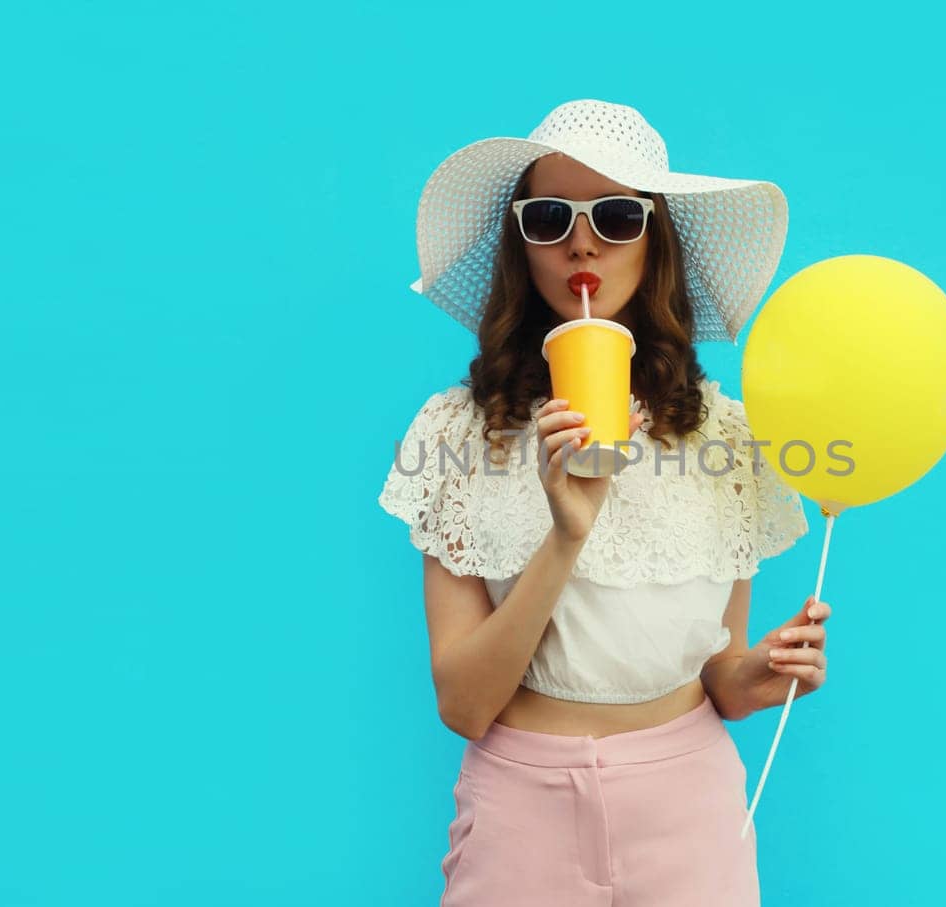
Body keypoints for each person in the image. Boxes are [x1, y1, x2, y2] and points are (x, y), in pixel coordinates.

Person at [379, 99, 834, 907]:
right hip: (522, 810)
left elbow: (720, 679)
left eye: (618, 216)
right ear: (522, 246)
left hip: (689, 807)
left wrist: (759, 670)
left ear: (655, 240)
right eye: (549, 217)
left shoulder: (725, 440)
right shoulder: (459, 434)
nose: (581, 242)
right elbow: (464, 704)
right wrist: (565, 533)